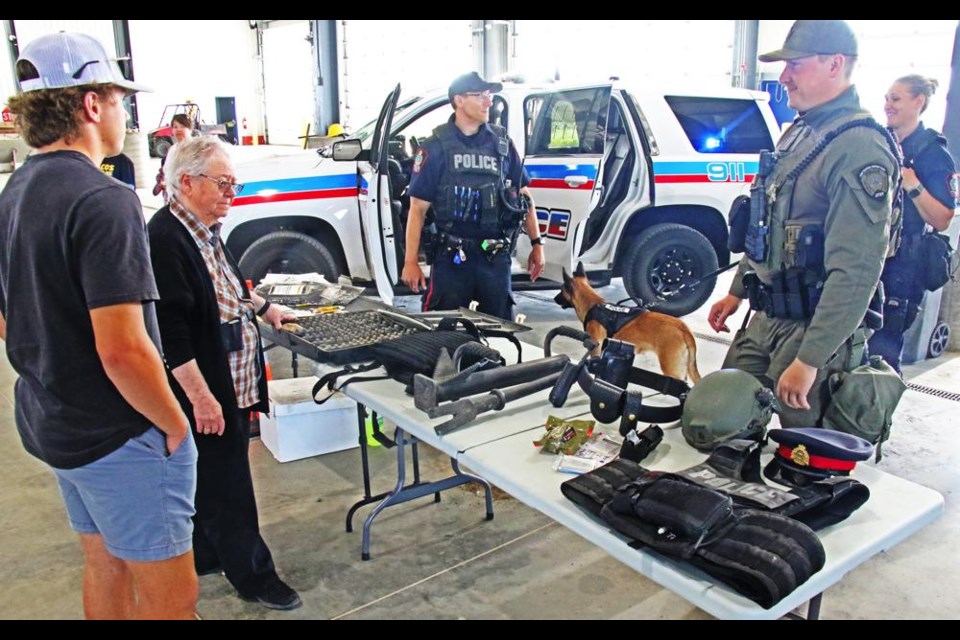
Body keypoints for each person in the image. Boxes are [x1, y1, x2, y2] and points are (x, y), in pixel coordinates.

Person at [0, 32, 199, 619]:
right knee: (171, 598)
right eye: (117, 98)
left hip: (55, 421)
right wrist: (172, 422)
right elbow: (123, 350)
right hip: (118, 433)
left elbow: (10, 319)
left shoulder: (15, 192)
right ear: (91, 105)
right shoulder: (102, 199)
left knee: (104, 561)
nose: (123, 112)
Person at [708, 20, 901, 428]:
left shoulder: (858, 144)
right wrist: (738, 291)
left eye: (795, 65)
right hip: (765, 319)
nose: (784, 77)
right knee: (719, 424)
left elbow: (857, 269)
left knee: (800, 461)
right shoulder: (799, 134)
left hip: (813, 329)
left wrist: (810, 359)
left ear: (834, 64)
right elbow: (768, 226)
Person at [148, 135, 302, 611]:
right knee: (230, 484)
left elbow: (231, 289)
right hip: (210, 387)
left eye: (233, 182)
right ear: (187, 181)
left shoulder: (204, 229)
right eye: (222, 183)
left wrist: (267, 308)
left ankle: (207, 553)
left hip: (230, 381)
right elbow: (171, 331)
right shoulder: (166, 238)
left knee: (210, 477)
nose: (231, 192)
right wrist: (201, 397)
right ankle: (255, 577)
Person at [401, 71, 545, 320]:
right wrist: (410, 262)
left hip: (495, 259)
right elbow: (417, 208)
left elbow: (523, 195)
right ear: (459, 100)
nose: (488, 102)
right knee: (442, 334)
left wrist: (537, 244)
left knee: (501, 335)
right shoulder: (435, 147)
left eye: (489, 95)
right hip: (451, 259)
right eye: (480, 95)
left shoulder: (502, 143)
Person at [867, 75, 959, 373]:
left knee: (883, 354)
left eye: (896, 99)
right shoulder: (879, 142)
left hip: (903, 269)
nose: (888, 105)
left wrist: (913, 184)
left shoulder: (934, 153)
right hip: (869, 260)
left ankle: (875, 415)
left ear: (918, 102)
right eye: (886, 98)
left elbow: (943, 218)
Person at [152, 112, 194, 199]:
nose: (178, 129)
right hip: (171, 196)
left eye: (182, 126)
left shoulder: (196, 148)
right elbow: (167, 171)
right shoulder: (172, 150)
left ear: (190, 129)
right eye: (175, 127)